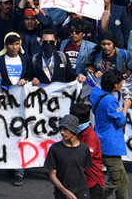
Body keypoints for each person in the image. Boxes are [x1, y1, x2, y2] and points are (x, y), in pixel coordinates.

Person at [88, 71, 130, 199]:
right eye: (121, 83)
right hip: (110, 144)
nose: (123, 85)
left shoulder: (97, 93)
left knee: (124, 182)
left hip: (102, 139)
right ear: (115, 85)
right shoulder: (110, 101)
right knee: (115, 180)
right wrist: (126, 107)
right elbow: (121, 121)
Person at [45, 114, 92, 199]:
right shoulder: (55, 149)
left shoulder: (84, 148)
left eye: (65, 129)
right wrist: (65, 191)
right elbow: (52, 175)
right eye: (61, 129)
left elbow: (86, 171)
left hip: (82, 193)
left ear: (73, 130)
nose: (62, 132)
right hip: (62, 194)